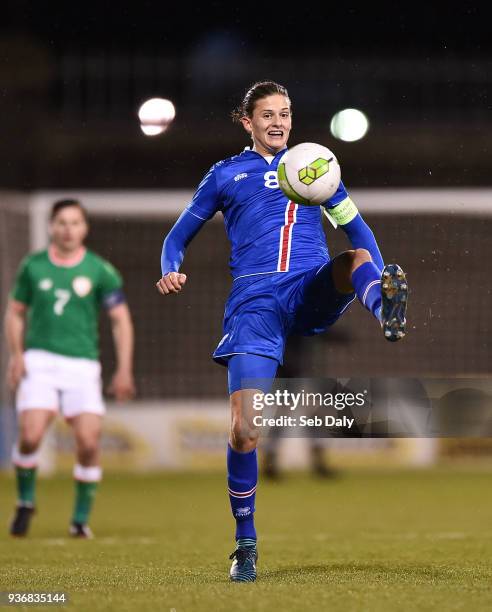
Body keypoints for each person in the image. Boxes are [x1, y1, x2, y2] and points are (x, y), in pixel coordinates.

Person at [156, 81, 408, 581]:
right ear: (246, 121)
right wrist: (171, 266)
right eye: (267, 114)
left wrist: (378, 274)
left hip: (309, 284)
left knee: (354, 260)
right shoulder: (227, 174)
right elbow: (177, 235)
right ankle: (245, 544)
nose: (279, 121)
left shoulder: (316, 167)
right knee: (245, 430)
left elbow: (360, 234)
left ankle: (384, 308)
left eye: (286, 113)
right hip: (255, 302)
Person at [5, 199, 135, 539]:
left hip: (82, 364)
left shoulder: (99, 270)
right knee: (31, 436)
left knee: (89, 444)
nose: (68, 229)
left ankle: (79, 521)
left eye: (75, 222)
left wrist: (123, 369)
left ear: (84, 228)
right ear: (51, 226)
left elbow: (120, 320)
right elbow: (15, 312)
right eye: (61, 222)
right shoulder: (33, 266)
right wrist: (17, 355)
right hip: (40, 361)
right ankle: (25, 501)